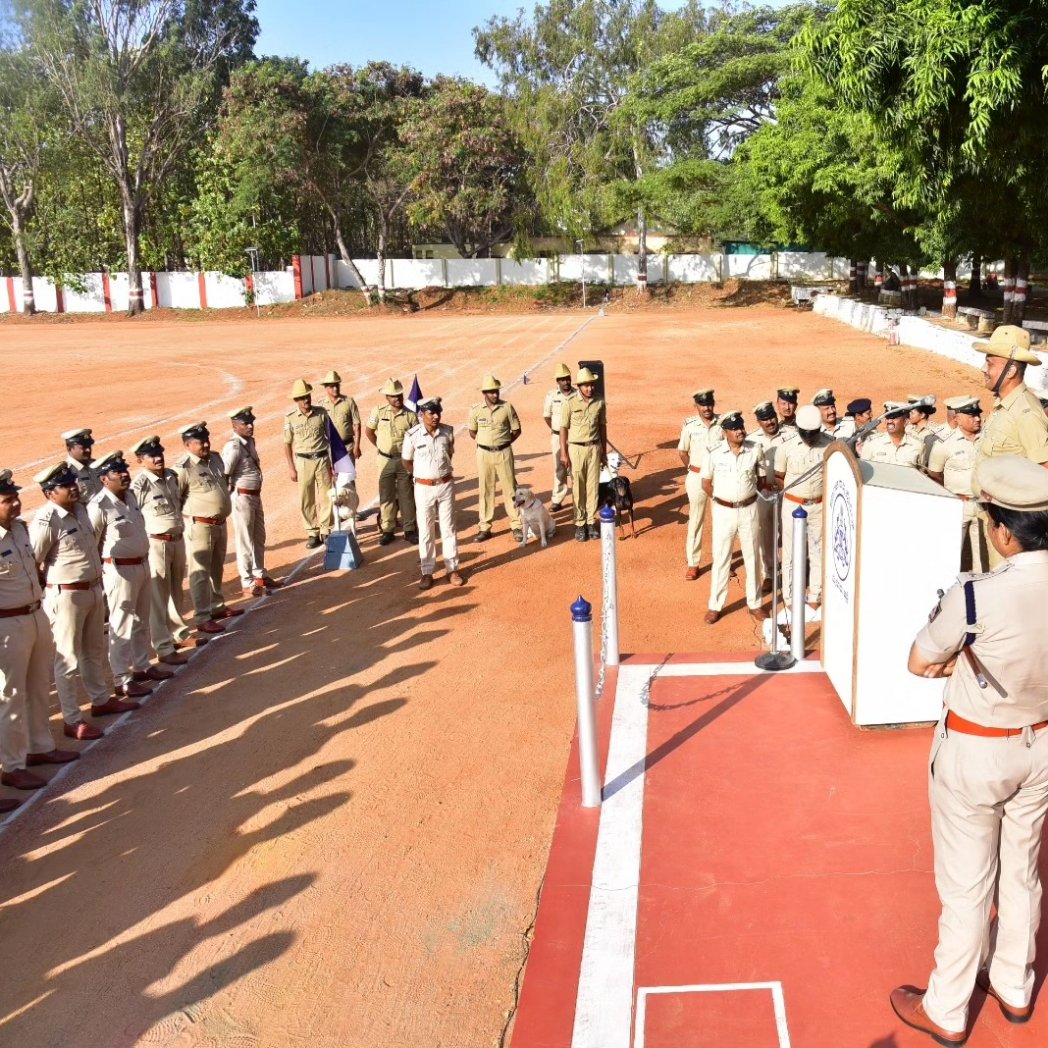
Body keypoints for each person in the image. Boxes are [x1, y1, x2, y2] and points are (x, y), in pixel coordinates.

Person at [892, 455, 1048, 1046]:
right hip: (1042, 745)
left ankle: (948, 1008)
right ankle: (1014, 983)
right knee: (1024, 870)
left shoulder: (977, 596)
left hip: (979, 749)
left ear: (1003, 529)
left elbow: (919, 661)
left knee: (966, 883)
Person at [31, 462, 129, 734]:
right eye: (65, 486)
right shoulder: (47, 521)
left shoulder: (81, 510)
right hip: (67, 596)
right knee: (68, 659)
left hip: (93, 589)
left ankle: (100, 700)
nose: (73, 488)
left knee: (93, 650)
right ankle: (72, 719)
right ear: (50, 493)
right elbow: (33, 560)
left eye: (73, 483)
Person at [0, 468, 78, 800]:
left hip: (34, 614)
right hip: (7, 626)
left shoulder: (19, 530)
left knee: (36, 687)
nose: (15, 505)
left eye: (15, 498)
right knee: (9, 696)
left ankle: (39, 747)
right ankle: (12, 765)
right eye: (7, 501)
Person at [89, 451, 172, 699]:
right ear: (104, 479)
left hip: (142, 565)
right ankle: (121, 679)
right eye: (117, 472)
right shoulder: (99, 506)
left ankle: (142, 666)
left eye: (124, 470)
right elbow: (92, 542)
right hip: (119, 570)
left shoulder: (131, 496)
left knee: (140, 620)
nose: (124, 475)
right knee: (121, 624)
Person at [130, 435, 212, 661]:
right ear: (140, 460)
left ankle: (178, 634)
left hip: (176, 538)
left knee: (175, 588)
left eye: (159, 454)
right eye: (151, 456)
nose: (158, 458)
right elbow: (132, 515)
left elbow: (181, 500)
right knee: (158, 595)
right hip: (156, 542)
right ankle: (163, 646)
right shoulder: (140, 485)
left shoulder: (171, 477)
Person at [173, 422, 241, 632]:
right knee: (200, 571)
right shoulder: (183, 469)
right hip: (200, 526)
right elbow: (176, 498)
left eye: (206, 440)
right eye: (198, 442)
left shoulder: (215, 458)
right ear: (187, 445)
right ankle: (202, 616)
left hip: (219, 523)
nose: (204, 444)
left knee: (216, 566)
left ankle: (216, 605)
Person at [701, 411, 768, 624]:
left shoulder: (755, 450)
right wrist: (724, 500)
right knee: (721, 558)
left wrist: (743, 498)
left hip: (749, 510)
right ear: (725, 432)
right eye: (735, 429)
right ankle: (715, 605)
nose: (740, 431)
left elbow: (762, 480)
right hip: (723, 512)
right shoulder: (713, 453)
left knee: (752, 557)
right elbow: (706, 483)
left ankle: (755, 604)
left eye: (742, 427)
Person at [402, 397, 465, 590]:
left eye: (438, 412)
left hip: (445, 485)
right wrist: (422, 476)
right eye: (432, 413)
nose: (436, 416)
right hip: (423, 488)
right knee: (426, 530)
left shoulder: (448, 432)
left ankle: (452, 569)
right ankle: (427, 572)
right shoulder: (412, 435)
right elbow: (407, 461)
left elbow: (449, 453)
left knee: (448, 528)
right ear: (422, 414)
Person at [776, 405, 833, 611]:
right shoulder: (786, 447)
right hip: (793, 504)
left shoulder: (830, 446)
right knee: (791, 553)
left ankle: (816, 594)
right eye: (806, 434)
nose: (810, 438)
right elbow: (780, 476)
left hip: (818, 505)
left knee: (818, 551)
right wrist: (797, 495)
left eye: (814, 434)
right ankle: (790, 597)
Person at [223, 407, 278, 596]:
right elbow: (225, 474)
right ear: (234, 425)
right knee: (245, 539)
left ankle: (259, 574)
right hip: (242, 498)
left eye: (251, 422)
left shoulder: (249, 442)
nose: (250, 426)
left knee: (258, 537)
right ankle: (247, 581)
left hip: (255, 496)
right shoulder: (234, 447)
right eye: (245, 423)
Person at [927, 397, 986, 572]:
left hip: (985, 505)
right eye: (971, 415)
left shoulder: (987, 440)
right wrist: (952, 494)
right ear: (958, 418)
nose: (977, 418)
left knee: (984, 558)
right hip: (959, 506)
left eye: (977, 415)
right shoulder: (944, 444)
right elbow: (934, 474)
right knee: (951, 555)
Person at [468, 374, 523, 542]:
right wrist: (488, 443)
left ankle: (517, 524)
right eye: (491, 392)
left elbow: (516, 430)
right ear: (484, 393)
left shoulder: (507, 407)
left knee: (510, 489)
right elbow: (472, 432)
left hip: (504, 452)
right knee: (485, 489)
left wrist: (503, 443)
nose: (495, 394)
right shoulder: (476, 409)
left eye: (496, 391)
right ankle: (485, 527)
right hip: (483, 454)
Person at [365, 379, 418, 546]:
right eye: (393, 396)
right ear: (386, 397)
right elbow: (369, 432)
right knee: (386, 495)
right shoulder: (378, 412)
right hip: (384, 459)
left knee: (406, 495)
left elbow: (416, 438)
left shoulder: (410, 414)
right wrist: (381, 448)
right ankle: (387, 529)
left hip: (403, 459)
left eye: (399, 395)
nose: (397, 398)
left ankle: (409, 529)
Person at [678, 389, 723, 578]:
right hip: (696, 477)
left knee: (722, 520)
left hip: (719, 478)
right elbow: (682, 452)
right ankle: (693, 562)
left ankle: (722, 561)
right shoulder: (690, 426)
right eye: (703, 405)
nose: (707, 408)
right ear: (696, 406)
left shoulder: (723, 423)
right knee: (696, 519)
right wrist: (693, 469)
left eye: (709, 404)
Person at [749, 402, 794, 587]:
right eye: (765, 419)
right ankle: (769, 573)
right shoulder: (752, 439)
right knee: (765, 534)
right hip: (764, 492)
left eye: (772, 417)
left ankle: (792, 573)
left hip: (786, 491)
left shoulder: (791, 436)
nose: (770, 422)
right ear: (759, 421)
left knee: (790, 532)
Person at [284, 379, 333, 549]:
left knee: (326, 495)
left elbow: (331, 439)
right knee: (306, 498)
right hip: (303, 461)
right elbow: (287, 444)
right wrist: (291, 467)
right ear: (296, 400)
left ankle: (326, 530)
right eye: (302, 398)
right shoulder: (290, 418)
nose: (306, 400)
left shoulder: (322, 414)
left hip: (321, 459)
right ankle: (312, 532)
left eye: (307, 396)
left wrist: (333, 463)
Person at [560, 367, 607, 542]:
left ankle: (590, 522)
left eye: (592, 385)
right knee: (578, 487)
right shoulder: (570, 403)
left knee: (593, 486)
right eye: (586, 385)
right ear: (579, 386)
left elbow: (602, 427)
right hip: (576, 449)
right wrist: (564, 454)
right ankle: (580, 524)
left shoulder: (600, 402)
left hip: (594, 448)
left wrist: (603, 451)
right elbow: (563, 429)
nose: (590, 388)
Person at [319, 371, 362, 533]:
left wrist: (357, 446)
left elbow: (357, 425)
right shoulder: (321, 405)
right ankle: (335, 512)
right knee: (331, 479)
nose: (335, 388)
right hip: (330, 448)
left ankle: (352, 509)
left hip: (347, 447)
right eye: (332, 386)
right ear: (326, 388)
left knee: (348, 478)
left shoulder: (349, 402)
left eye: (337, 385)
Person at [543, 363, 577, 511]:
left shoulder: (578, 394)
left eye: (568, 378)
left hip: (576, 437)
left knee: (577, 467)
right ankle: (557, 499)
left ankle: (579, 497)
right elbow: (547, 417)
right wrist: (557, 430)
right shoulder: (551, 396)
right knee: (560, 468)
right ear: (557, 381)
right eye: (562, 379)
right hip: (557, 437)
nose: (566, 382)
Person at [860, 402, 924, 467]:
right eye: (887, 418)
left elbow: (921, 473)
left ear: (906, 421)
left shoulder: (918, 445)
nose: (889, 421)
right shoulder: (872, 442)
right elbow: (863, 469)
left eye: (894, 418)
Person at [62, 427, 102, 503]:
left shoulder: (96, 465)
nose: (88, 450)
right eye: (83, 447)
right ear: (69, 448)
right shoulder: (67, 472)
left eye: (89, 446)